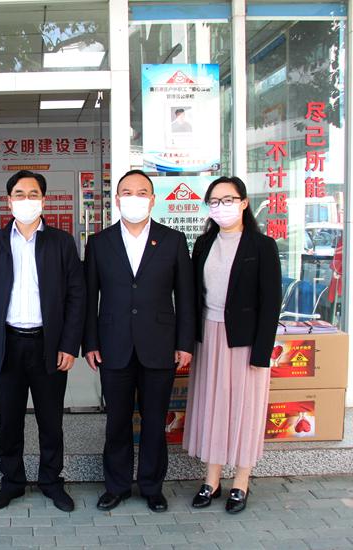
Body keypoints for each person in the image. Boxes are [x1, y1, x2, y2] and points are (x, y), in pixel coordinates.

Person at [0, 170, 86, 512]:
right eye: (19, 194)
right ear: (9, 202)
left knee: (51, 420)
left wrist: (69, 344)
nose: (26, 200)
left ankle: (51, 481)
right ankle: (12, 482)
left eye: (33, 194)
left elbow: (76, 296)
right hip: (8, 343)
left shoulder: (62, 242)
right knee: (9, 420)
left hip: (48, 344)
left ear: (43, 200)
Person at [82, 169, 194, 513]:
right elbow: (89, 297)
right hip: (113, 345)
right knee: (116, 421)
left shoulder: (173, 240)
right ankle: (116, 486)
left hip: (159, 345)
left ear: (153, 199)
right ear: (117, 200)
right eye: (127, 192)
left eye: (142, 192)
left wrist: (185, 343)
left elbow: (186, 297)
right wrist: (91, 343)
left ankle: (151, 487)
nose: (135, 198)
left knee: (154, 420)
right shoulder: (99, 242)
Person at [183, 176, 282, 514]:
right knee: (212, 406)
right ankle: (211, 480)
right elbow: (194, 295)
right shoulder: (203, 243)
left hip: (245, 340)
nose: (221, 207)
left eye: (228, 200)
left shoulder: (262, 245)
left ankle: (241, 481)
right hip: (208, 335)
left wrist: (262, 352)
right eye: (214, 201)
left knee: (244, 408)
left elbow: (271, 302)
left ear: (243, 203)